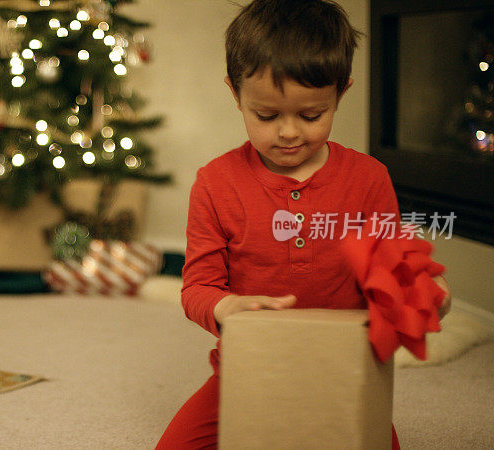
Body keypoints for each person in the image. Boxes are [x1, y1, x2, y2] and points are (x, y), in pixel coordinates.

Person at [155, 0, 452, 448]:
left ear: (340, 93)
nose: (290, 133)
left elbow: (394, 274)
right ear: (235, 94)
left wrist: (422, 297)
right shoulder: (215, 184)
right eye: (267, 116)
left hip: (345, 372)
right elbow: (197, 288)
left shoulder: (369, 179)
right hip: (247, 370)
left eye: (312, 116)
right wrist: (224, 308)